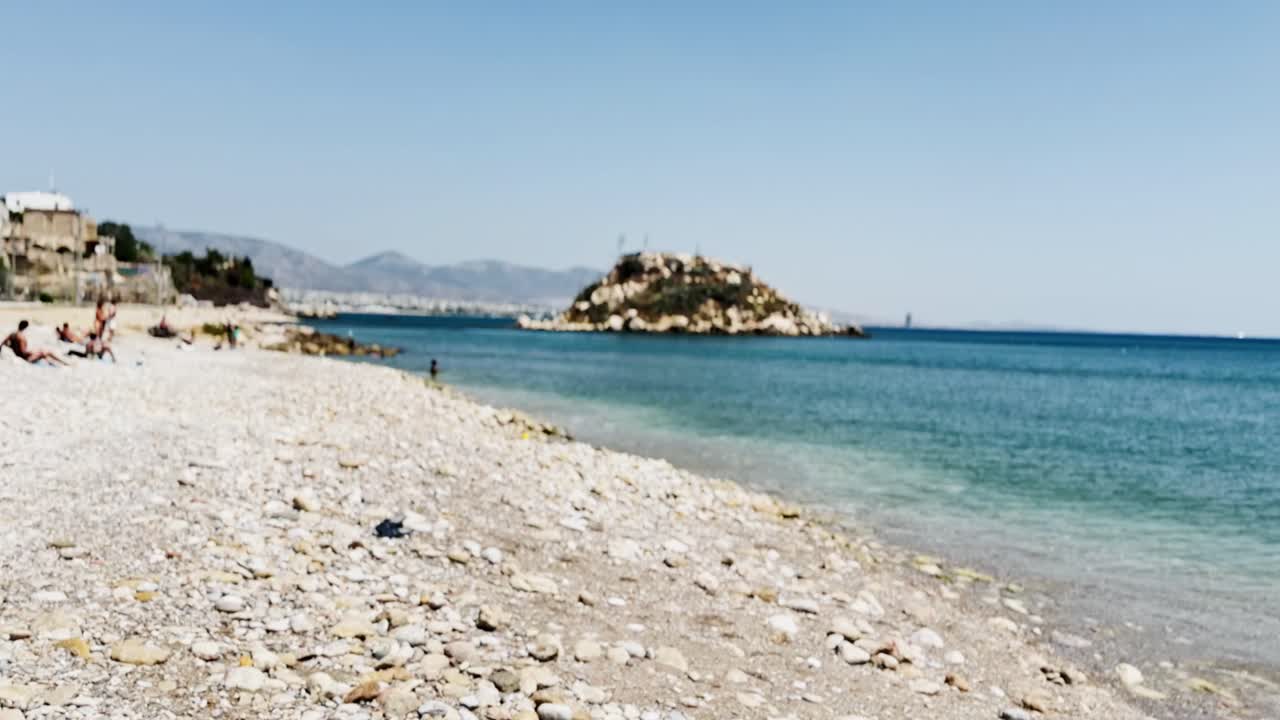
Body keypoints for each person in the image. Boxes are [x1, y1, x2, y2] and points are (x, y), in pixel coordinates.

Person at [2, 321, 69, 366]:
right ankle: (64, 363)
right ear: (25, 327)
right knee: (44, 352)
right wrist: (31, 352)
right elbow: (23, 353)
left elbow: (2, 344)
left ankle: (57, 364)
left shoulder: (12, 334)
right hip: (27, 359)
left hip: (20, 356)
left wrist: (11, 347)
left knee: (42, 352)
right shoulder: (21, 337)